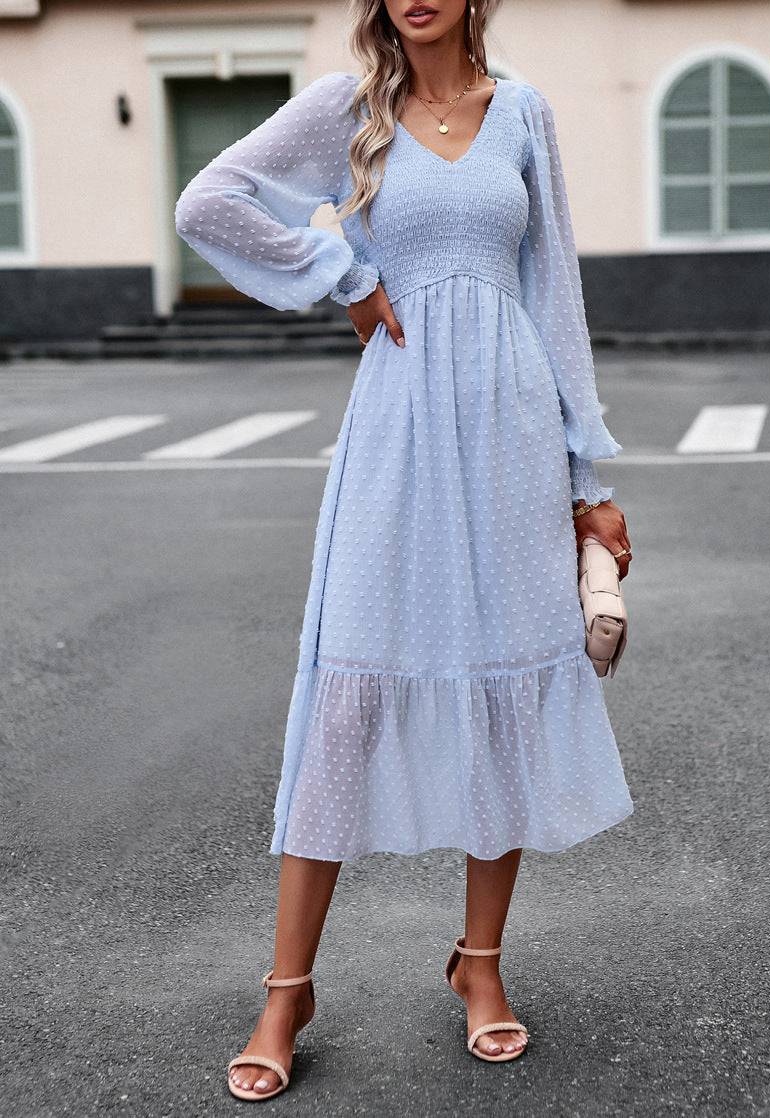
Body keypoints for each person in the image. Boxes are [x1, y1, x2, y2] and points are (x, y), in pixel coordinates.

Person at [174, 0, 634, 1102]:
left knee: (501, 688)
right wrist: (338, 273)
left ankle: (479, 965)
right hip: (398, 430)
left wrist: (591, 483)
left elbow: (553, 293)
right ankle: (287, 986)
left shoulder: (523, 112)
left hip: (514, 432)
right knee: (349, 690)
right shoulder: (352, 107)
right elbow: (209, 201)